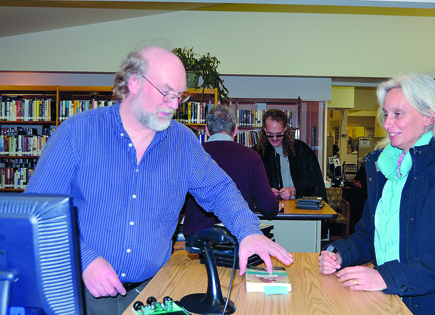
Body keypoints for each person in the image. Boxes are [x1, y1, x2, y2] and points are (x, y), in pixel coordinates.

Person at [24, 46, 293, 315]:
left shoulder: (182, 142)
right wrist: (85, 259)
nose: (174, 105)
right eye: (166, 92)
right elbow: (35, 215)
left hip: (151, 291)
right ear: (134, 83)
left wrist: (248, 230)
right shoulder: (76, 133)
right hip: (82, 293)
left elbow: (220, 190)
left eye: (179, 96)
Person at [318, 73, 435, 315]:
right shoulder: (384, 169)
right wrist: (340, 254)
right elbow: (369, 235)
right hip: (390, 300)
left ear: (429, 117)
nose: (387, 124)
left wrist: (386, 276)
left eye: (398, 114)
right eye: (386, 114)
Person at [182, 105, 280, 239]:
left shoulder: (190, 155)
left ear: (207, 131)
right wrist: (276, 204)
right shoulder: (251, 157)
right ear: (235, 130)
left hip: (198, 241)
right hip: (238, 239)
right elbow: (268, 208)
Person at [253, 109, 327, 202]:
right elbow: (249, 185)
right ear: (264, 129)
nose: (274, 139)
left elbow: (315, 183)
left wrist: (294, 190)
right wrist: (265, 192)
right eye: (270, 135)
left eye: (279, 135)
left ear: (285, 129)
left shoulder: (301, 150)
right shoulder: (256, 153)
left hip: (299, 209)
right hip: (270, 210)